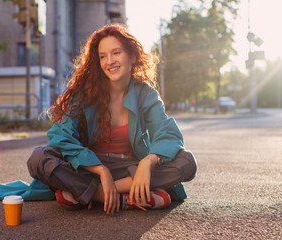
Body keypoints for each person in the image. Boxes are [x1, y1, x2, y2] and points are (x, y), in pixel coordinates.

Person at [27, 24, 197, 215]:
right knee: (39, 158)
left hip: (130, 170)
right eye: (102, 56)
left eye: (116, 53)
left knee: (187, 161)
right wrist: (101, 171)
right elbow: (60, 136)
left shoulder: (145, 94)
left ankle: (89, 194)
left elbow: (168, 134)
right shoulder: (85, 93)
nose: (110, 61)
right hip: (88, 169)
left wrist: (147, 162)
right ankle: (129, 197)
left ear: (132, 56)